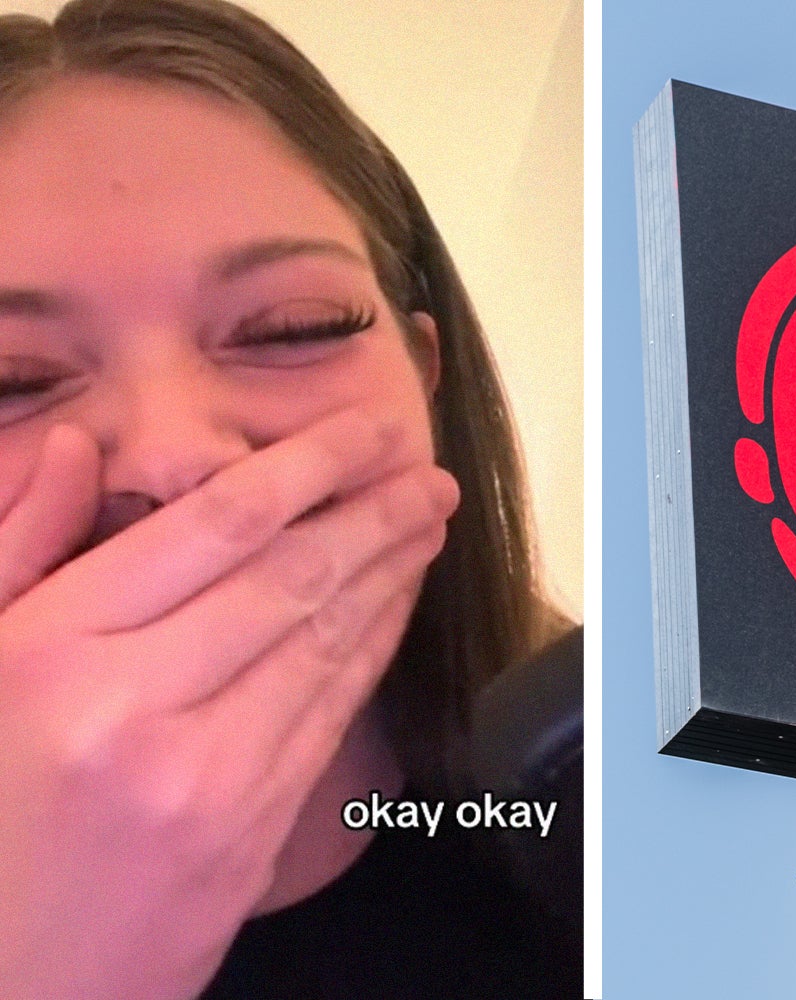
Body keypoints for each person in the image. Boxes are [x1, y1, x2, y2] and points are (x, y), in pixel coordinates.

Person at [0, 1, 577, 996]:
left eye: (292, 328)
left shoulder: (597, 787)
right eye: (10, 380)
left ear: (424, 372)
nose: (180, 458)